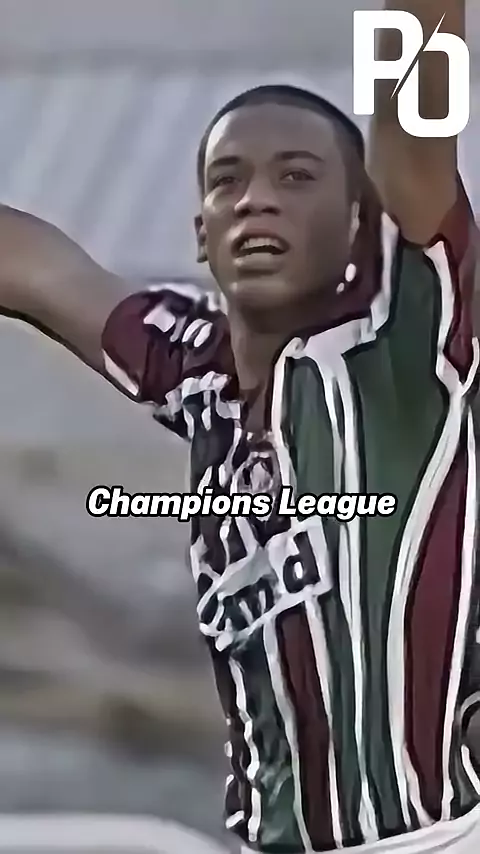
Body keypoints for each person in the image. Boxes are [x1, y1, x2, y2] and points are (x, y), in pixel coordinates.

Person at [0, 0, 479, 851]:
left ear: (360, 224)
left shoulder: (403, 349)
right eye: (228, 181)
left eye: (296, 177)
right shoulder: (194, 366)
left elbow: (414, 115)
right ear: (202, 234)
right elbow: (35, 268)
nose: (256, 199)